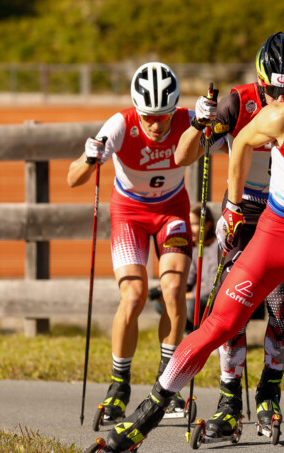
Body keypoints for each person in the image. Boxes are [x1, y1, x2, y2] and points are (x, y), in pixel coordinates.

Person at [93, 27, 284, 453]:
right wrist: (229, 202)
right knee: (221, 323)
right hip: (274, 229)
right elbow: (227, 145)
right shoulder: (272, 111)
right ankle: (152, 416)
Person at [173, 31, 284, 439]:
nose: (279, 101)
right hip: (246, 213)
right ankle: (229, 399)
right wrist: (201, 122)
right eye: (272, 90)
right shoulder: (239, 102)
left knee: (281, 306)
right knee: (228, 308)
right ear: (260, 79)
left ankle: (269, 392)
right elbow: (184, 155)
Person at [68, 62, 205, 424]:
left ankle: (168, 382)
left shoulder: (188, 121)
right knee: (133, 296)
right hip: (129, 213)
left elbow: (228, 139)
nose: (156, 125)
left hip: (172, 211)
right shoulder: (120, 125)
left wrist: (211, 123)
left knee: (174, 289)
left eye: (163, 116)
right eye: (148, 117)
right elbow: (73, 178)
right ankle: (118, 386)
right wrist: (89, 157)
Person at [148, 203, 219, 334]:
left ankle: (208, 338)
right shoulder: (194, 248)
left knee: (191, 305)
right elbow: (187, 281)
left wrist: (187, 295)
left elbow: (214, 288)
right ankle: (191, 336)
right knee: (160, 303)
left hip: (217, 299)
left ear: (208, 225)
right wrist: (164, 290)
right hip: (199, 296)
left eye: (194, 224)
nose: (190, 229)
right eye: (188, 224)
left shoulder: (217, 248)